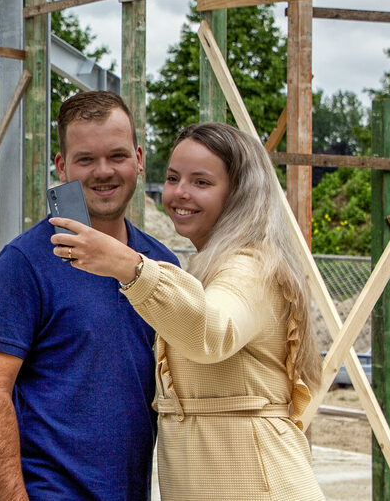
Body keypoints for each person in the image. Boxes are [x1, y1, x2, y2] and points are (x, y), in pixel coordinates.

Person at [51, 121, 325, 500]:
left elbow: (212, 333)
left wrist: (130, 267)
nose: (180, 193)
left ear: (238, 193)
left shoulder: (251, 266)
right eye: (174, 178)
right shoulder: (210, 265)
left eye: (201, 182)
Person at [0, 91, 178, 500]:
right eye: (86, 159)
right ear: (63, 167)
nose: (104, 171)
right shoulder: (25, 263)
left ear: (138, 158)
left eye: (117, 156)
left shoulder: (159, 265)